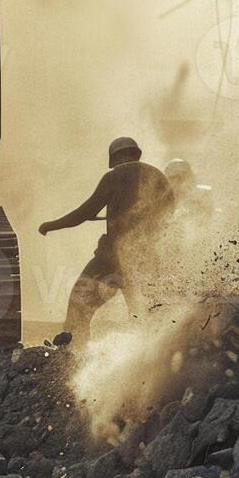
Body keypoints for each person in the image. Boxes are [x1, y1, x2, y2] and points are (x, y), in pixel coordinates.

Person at [39, 135, 174, 342]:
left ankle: (73, 349)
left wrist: (51, 225)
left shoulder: (115, 176)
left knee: (79, 304)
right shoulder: (159, 177)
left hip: (111, 259)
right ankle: (151, 354)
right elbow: (167, 214)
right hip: (147, 258)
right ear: (135, 153)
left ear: (115, 158)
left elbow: (83, 213)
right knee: (144, 314)